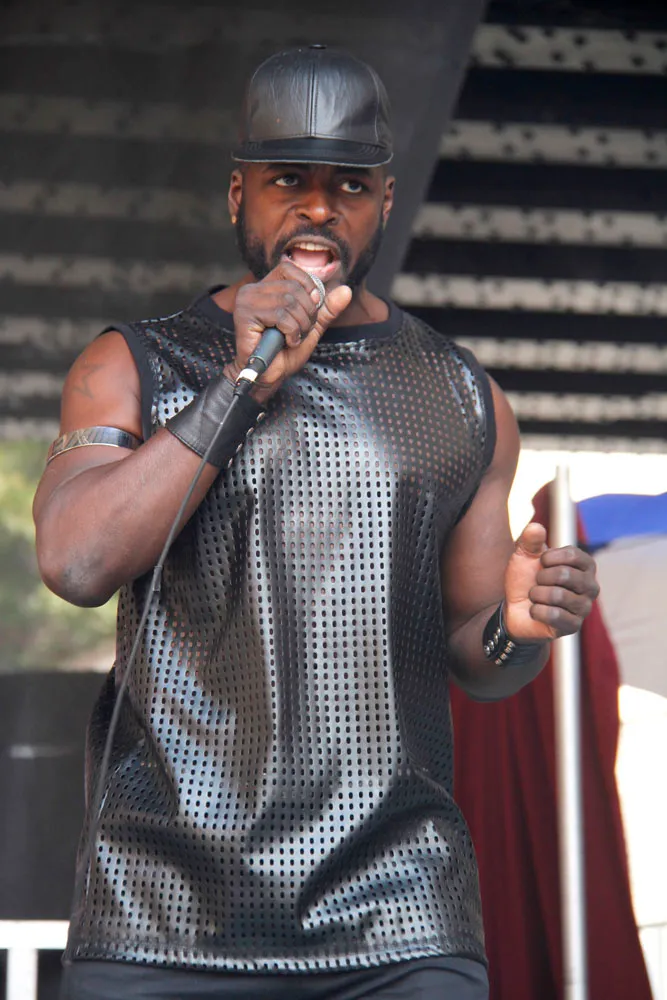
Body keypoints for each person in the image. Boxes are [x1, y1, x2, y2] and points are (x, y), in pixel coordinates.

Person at [33, 45, 599, 1000]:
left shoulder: (462, 393)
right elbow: (78, 563)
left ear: (384, 201)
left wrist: (520, 626)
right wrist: (242, 382)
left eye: (349, 185)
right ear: (238, 196)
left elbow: (484, 664)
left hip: (399, 916)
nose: (318, 208)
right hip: (163, 913)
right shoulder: (131, 364)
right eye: (287, 180)